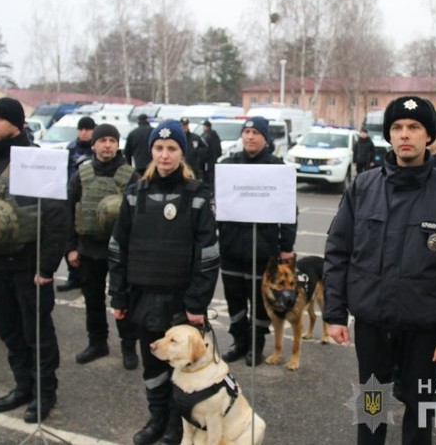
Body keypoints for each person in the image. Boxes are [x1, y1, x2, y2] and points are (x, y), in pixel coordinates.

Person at [323, 95, 436, 445]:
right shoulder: (363, 187)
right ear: (389, 135)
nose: (404, 134)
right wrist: (334, 313)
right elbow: (338, 251)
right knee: (372, 408)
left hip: (424, 330)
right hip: (372, 326)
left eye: (414, 127)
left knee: (420, 410)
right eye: (397, 127)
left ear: (429, 135)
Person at [0, 97, 67, 423]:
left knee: (37, 334)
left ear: (16, 124)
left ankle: (45, 392)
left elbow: (56, 218)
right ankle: (23, 385)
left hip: (27, 266)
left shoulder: (36, 161)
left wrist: (46, 267)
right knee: (8, 331)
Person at [108, 119, 219, 445]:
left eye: (172, 148)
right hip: (143, 297)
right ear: (151, 150)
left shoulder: (198, 195)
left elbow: (208, 255)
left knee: (181, 370)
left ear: (182, 153)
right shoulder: (134, 194)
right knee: (153, 366)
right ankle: (156, 419)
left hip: (180, 302)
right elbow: (118, 248)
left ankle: (176, 426)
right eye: (159, 148)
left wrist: (197, 303)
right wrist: (118, 297)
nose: (164, 155)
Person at [218, 116, 297, 366]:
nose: (250, 137)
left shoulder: (277, 167)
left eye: (256, 133)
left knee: (260, 302)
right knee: (234, 299)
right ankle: (239, 341)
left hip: (263, 250)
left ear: (265, 138)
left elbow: (289, 209)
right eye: (247, 132)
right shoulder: (228, 165)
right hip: (231, 247)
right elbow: (216, 203)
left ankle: (256, 344)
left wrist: (286, 247)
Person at [67, 123, 140, 369]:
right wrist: (71, 247)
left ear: (118, 145)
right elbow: (69, 211)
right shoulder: (81, 175)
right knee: (93, 300)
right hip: (89, 249)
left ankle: (129, 346)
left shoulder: (131, 176)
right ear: (93, 144)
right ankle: (97, 342)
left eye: (112, 140)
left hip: (122, 251)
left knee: (124, 299)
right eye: (102, 140)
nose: (107, 145)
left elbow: (141, 215)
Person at [58, 116, 96, 293]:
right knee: (69, 239)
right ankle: (73, 276)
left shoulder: (97, 148)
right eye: (81, 129)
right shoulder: (71, 148)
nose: (84, 133)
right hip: (72, 196)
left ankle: (86, 278)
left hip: (92, 198)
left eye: (87, 129)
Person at [179, 117, 208, 182]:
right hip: (180, 169)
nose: (184, 127)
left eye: (186, 125)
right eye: (183, 125)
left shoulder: (195, 137)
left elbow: (205, 149)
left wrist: (197, 153)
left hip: (194, 169)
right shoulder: (177, 138)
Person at [200, 119, 222, 192]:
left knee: (208, 177)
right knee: (213, 176)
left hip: (208, 161)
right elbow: (219, 149)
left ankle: (209, 191)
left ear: (206, 127)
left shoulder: (206, 136)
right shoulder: (215, 134)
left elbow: (204, 150)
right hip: (214, 159)